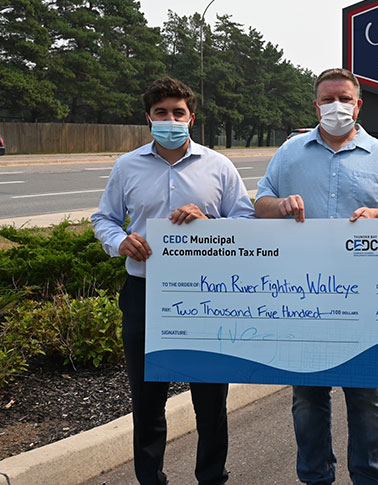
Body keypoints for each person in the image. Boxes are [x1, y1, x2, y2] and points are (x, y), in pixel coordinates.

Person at [254, 68, 378, 485]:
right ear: (316, 106)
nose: (336, 107)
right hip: (303, 296)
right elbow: (260, 203)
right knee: (307, 399)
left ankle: (368, 477)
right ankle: (315, 477)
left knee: (367, 399)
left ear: (358, 105)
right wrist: (279, 206)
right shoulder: (289, 153)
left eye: (344, 99)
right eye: (328, 99)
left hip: (364, 297)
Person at [92, 77, 254, 485]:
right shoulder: (127, 166)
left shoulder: (218, 166)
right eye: (161, 113)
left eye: (178, 113)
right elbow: (104, 218)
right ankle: (150, 478)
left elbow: (246, 221)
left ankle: (212, 476)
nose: (170, 120)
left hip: (207, 295)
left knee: (210, 398)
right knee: (147, 399)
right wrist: (120, 241)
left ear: (191, 118)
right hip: (145, 294)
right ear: (148, 118)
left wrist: (208, 221)